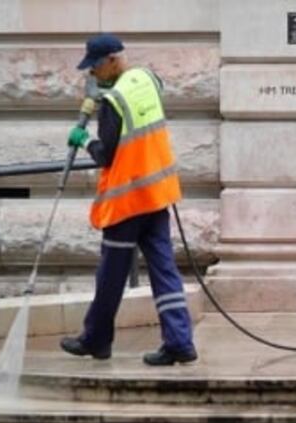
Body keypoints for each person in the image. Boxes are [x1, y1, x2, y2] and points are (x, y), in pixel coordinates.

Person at [59, 33, 198, 366]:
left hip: (128, 202)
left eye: (94, 68)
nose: (92, 75)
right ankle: (180, 342)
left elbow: (106, 154)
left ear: (111, 60)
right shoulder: (146, 79)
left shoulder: (113, 103)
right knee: (164, 269)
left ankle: (96, 339)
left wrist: (84, 142)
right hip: (156, 194)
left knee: (111, 273)